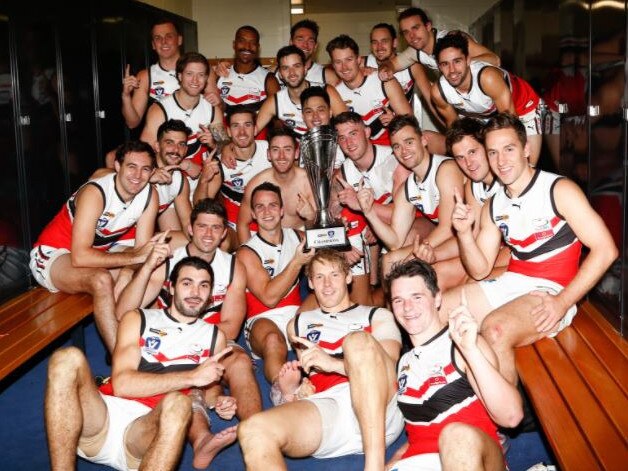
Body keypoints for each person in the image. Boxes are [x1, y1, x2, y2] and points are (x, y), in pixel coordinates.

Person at [441, 112, 617, 384]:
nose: (501, 161)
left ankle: (505, 416)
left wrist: (562, 302)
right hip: (513, 281)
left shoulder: (559, 190)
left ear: (526, 149)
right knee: (439, 308)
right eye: (493, 152)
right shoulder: (493, 204)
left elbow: (606, 250)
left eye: (509, 149)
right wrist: (464, 235)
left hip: (552, 291)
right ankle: (455, 397)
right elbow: (480, 270)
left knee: (495, 330)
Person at [44, 256, 237, 471]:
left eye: (203, 286)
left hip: (146, 433)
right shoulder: (138, 318)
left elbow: (208, 387)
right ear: (171, 288)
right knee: (66, 358)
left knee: (179, 404)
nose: (195, 292)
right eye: (187, 283)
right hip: (103, 418)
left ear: (210, 295)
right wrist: (191, 377)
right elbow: (124, 385)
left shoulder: (214, 336)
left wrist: (218, 401)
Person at [238, 249, 404, 470]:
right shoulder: (298, 324)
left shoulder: (377, 315)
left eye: (334, 275)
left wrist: (332, 363)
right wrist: (291, 391)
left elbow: (389, 365)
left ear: (348, 277)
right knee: (253, 429)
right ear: (311, 283)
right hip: (330, 407)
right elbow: (307, 383)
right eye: (319, 277)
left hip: (381, 408)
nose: (327, 284)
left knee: (356, 342)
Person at [115, 199, 262, 421]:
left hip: (213, 339)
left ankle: (256, 427)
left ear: (224, 234)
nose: (208, 234)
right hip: (165, 338)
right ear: (190, 229)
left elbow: (231, 327)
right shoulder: (169, 259)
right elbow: (123, 312)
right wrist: (147, 266)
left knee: (240, 362)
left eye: (216, 228)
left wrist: (194, 341)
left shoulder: (233, 267)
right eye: (202, 226)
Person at [385, 259, 523, 470]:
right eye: (398, 300)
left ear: (437, 298)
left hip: (470, 456)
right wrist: (395, 458)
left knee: (455, 435)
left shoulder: (463, 344)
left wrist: (470, 351)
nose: (407, 308)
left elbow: (511, 417)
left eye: (417, 297)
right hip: (421, 461)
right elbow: (420, 431)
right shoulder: (404, 362)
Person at [29, 141, 159, 352]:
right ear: (117, 166)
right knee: (101, 280)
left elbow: (141, 251)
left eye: (145, 169)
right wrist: (131, 260)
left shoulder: (149, 195)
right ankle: (120, 357)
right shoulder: (96, 193)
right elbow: (80, 257)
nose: (137, 175)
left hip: (97, 253)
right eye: (131, 166)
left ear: (152, 171)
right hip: (54, 254)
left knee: (157, 265)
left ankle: (125, 329)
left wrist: (129, 268)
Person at [236, 182, 315, 384]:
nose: (267, 211)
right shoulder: (246, 252)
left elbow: (325, 249)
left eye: (272, 205)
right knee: (273, 341)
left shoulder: (298, 236)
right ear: (253, 213)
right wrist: (297, 262)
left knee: (319, 310)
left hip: (297, 313)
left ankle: (319, 380)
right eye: (260, 207)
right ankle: (283, 390)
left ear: (281, 211)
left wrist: (312, 220)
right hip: (263, 318)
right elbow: (269, 298)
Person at [357, 115, 463, 259]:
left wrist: (412, 257)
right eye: (397, 147)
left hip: (471, 234)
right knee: (389, 259)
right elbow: (395, 242)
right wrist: (369, 212)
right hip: (452, 235)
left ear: (424, 140)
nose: (404, 151)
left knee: (408, 265)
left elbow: (447, 228)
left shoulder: (445, 169)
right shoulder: (407, 188)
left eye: (409, 142)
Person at [430, 32, 543, 165]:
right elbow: (455, 129)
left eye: (457, 61)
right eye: (445, 64)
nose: (452, 70)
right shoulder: (439, 92)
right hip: (484, 115)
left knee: (524, 165)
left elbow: (511, 123)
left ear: (468, 60)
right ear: (439, 66)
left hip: (522, 108)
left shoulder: (487, 78)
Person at [141, 52, 224, 193]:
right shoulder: (160, 109)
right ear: (180, 76)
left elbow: (224, 147)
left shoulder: (212, 109)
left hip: (201, 177)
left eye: (201, 75)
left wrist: (213, 143)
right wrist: (182, 164)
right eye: (189, 74)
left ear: (206, 79)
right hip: (168, 178)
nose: (195, 80)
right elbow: (144, 151)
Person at [194, 104, 270, 247]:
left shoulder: (270, 150)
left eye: (247, 125)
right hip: (234, 222)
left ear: (255, 129)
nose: (242, 132)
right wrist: (203, 180)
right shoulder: (220, 164)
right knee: (222, 243)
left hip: (270, 216)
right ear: (228, 131)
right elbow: (200, 205)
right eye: (236, 126)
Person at [327, 34, 412, 146]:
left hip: (395, 150)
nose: (344, 67)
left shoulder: (384, 81)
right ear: (332, 65)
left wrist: (396, 121)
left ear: (358, 60)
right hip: (361, 157)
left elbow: (411, 122)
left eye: (349, 59)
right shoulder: (335, 94)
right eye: (338, 62)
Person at [236, 127, 316, 243]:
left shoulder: (309, 181)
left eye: (287, 149)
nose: (281, 156)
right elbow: (242, 224)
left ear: (296, 153)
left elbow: (317, 231)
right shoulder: (256, 184)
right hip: (267, 236)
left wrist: (311, 217)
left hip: (301, 237)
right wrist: (248, 255)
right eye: (275, 150)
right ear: (268, 154)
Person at [378, 7, 499, 80]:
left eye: (416, 28)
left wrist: (456, 66)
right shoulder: (415, 51)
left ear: (428, 26)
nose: (411, 36)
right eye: (406, 32)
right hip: (470, 103)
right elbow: (391, 65)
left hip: (495, 94)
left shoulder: (454, 38)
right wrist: (384, 70)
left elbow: (494, 60)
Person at [256, 46, 346, 137]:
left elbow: (347, 127)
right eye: (286, 68)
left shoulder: (327, 91)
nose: (292, 73)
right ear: (280, 74)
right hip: (295, 149)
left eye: (297, 66)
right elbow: (253, 130)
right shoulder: (275, 101)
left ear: (305, 69)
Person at [121, 20, 182, 129]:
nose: (163, 42)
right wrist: (126, 96)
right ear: (153, 45)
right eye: (157, 38)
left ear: (179, 40)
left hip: (195, 142)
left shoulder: (200, 70)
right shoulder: (145, 76)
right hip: (161, 143)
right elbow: (132, 123)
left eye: (169, 36)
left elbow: (218, 109)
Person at [215, 25, 281, 113]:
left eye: (252, 43)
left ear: (258, 47)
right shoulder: (219, 74)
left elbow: (277, 115)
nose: (247, 47)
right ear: (234, 44)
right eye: (242, 41)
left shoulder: (269, 80)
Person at [281, 19, 339, 87]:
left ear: (315, 46)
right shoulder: (274, 74)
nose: (305, 45)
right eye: (300, 40)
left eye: (310, 41)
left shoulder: (329, 77)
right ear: (291, 43)